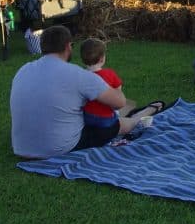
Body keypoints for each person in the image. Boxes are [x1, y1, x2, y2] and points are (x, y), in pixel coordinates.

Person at [10, 26, 127, 158]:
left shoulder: (23, 70)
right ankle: (144, 115)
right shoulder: (77, 74)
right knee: (112, 124)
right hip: (58, 148)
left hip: (21, 147)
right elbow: (120, 102)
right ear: (68, 46)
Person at [78, 37, 164, 143]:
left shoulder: (79, 75)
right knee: (121, 114)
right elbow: (119, 95)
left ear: (82, 58)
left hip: (87, 119)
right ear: (102, 59)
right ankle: (147, 111)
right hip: (106, 121)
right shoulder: (109, 74)